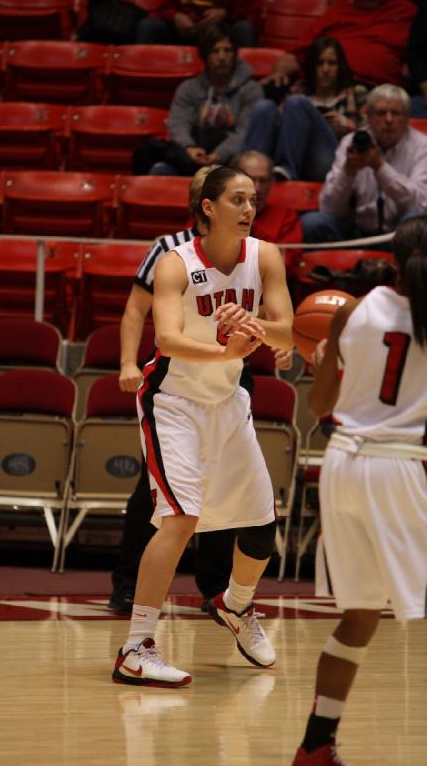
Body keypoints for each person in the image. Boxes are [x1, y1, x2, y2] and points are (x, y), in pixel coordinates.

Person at [112, 165, 294, 687]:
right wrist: (225, 348)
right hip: (174, 402)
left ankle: (236, 606)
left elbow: (287, 326)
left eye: (253, 200)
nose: (249, 209)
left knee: (261, 522)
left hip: (227, 401)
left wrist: (272, 339)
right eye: (237, 199)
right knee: (179, 519)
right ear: (208, 208)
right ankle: (136, 646)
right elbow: (166, 339)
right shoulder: (174, 263)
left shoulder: (265, 256)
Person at [291, 214, 427, 765]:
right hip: (398, 467)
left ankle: (315, 745)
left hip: (341, 465)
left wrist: (328, 363)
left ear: (392, 257)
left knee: (359, 616)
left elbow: (319, 408)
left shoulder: (350, 310)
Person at [110, 165, 238, 615]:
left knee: (224, 484)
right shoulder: (167, 249)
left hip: (226, 377)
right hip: (177, 379)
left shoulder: (250, 253)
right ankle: (129, 584)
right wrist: (127, 361)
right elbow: (134, 310)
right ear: (204, 202)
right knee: (155, 487)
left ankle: (216, 588)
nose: (241, 205)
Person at [302, 84, 427, 244]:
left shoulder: (422, 146)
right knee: (313, 222)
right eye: (381, 113)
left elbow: (421, 204)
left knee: (417, 222)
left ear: (407, 118)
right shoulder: (352, 142)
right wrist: (348, 171)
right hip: (355, 232)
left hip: (399, 237)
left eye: (395, 113)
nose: (388, 120)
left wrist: (380, 166)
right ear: (368, 116)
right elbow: (329, 208)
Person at [134, 23, 262, 177]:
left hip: (230, 160)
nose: (222, 57)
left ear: (235, 54)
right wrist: (189, 147)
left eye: (227, 50)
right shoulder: (188, 88)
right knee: (159, 169)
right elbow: (178, 123)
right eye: (215, 51)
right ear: (205, 56)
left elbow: (244, 132)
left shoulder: (251, 90)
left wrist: (219, 155)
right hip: (193, 156)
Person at [269, 0, 416, 91]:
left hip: (380, 94)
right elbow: (297, 54)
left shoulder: (407, 11)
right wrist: (280, 72)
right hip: (331, 88)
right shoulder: (335, 13)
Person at [243, 38, 367, 182]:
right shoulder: (298, 90)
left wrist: (346, 124)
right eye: (320, 63)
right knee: (264, 108)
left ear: (340, 66)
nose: (326, 69)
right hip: (295, 152)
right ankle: (246, 175)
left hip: (331, 160)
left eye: (332, 63)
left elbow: (370, 137)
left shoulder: (356, 93)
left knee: (297, 102)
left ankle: (286, 169)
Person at [229, 150, 302, 275]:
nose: (257, 188)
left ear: (271, 183)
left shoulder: (285, 217)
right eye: (250, 179)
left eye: (263, 181)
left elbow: (285, 265)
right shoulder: (214, 212)